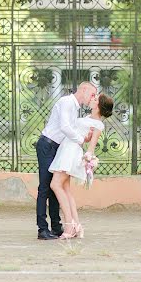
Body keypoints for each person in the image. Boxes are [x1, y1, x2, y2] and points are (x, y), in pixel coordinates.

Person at [36, 81, 97, 240]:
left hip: (57, 148)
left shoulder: (75, 108)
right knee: (45, 187)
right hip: (47, 145)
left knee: (57, 187)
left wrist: (86, 136)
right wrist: (80, 140)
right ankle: (42, 229)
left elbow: (72, 129)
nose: (93, 98)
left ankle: (56, 227)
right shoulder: (67, 102)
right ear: (83, 89)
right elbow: (64, 127)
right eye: (92, 94)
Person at [49, 93, 114, 239]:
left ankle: (69, 225)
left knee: (55, 184)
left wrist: (89, 159)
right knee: (65, 188)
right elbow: (81, 136)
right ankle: (77, 225)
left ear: (99, 106)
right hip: (66, 149)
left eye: (95, 99)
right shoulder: (87, 119)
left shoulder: (98, 124)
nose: (92, 99)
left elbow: (91, 147)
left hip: (71, 153)